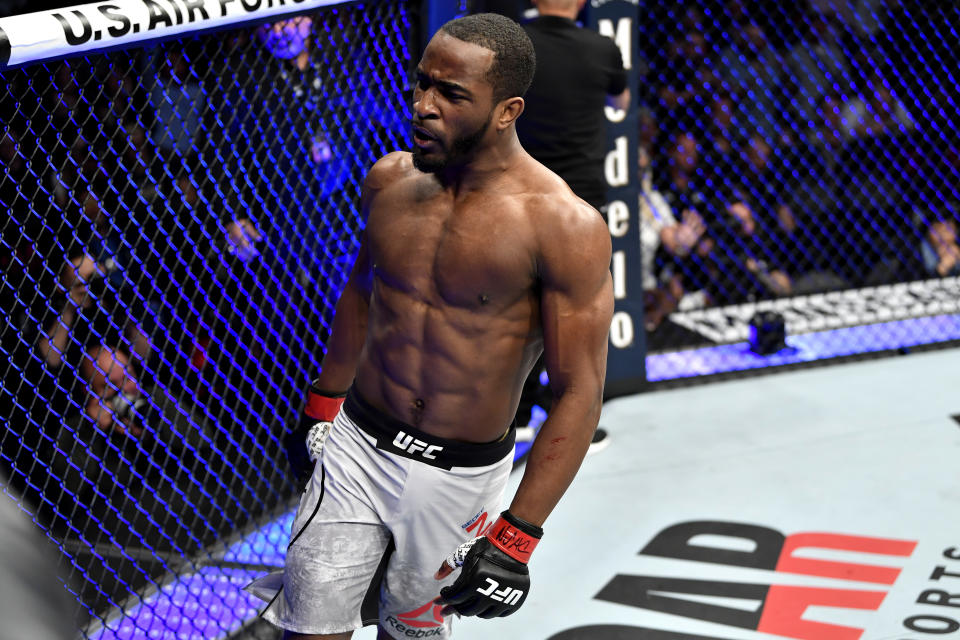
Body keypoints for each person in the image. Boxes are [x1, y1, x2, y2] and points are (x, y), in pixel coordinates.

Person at [247, 13, 613, 640]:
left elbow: (578, 392)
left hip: (459, 478)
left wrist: (518, 535)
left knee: (409, 634)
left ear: (507, 110)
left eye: (451, 94)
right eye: (421, 85)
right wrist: (321, 405)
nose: (423, 106)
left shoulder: (562, 226)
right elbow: (363, 295)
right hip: (357, 446)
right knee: (306, 631)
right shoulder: (390, 182)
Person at [511, 0, 626, 444]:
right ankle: (569, 421)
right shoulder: (601, 47)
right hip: (582, 200)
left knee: (520, 305)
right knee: (576, 314)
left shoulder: (519, 46)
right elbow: (621, 99)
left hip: (526, 192)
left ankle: (517, 413)